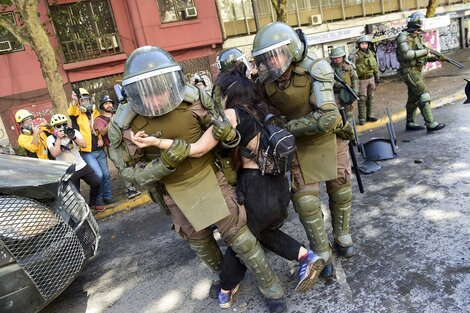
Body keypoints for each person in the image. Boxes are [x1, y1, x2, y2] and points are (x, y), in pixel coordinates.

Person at [131, 64, 325, 311]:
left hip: (256, 187)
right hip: (278, 185)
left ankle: (226, 286)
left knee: (241, 239)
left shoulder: (232, 115)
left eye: (218, 94)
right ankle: (306, 258)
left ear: (228, 94)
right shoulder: (263, 108)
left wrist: (158, 141)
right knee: (260, 233)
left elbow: (198, 148)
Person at [108, 46, 285, 311]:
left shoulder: (195, 99)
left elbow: (223, 135)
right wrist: (166, 162)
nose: (157, 99)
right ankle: (225, 278)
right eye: (147, 92)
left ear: (172, 82)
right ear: (134, 93)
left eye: (161, 89)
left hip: (211, 177)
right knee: (201, 244)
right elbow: (130, 174)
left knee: (241, 238)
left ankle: (272, 289)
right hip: (173, 191)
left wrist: (229, 137)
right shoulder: (123, 124)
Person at [251, 22, 357, 278]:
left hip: (328, 138)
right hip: (296, 145)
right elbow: (262, 114)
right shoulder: (265, 82)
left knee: (340, 188)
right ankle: (321, 249)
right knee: (306, 201)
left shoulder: (315, 68)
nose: (272, 61)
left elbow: (327, 118)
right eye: (266, 57)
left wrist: (286, 126)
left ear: (291, 49)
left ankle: (342, 235)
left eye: (276, 54)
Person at [396, 11, 446, 132]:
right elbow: (407, 55)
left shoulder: (417, 36)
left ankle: (410, 122)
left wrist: (434, 58)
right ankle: (430, 123)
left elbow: (420, 57)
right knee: (423, 94)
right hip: (409, 71)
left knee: (413, 98)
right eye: (420, 21)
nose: (422, 24)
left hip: (416, 71)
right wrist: (425, 51)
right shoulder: (404, 37)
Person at [46, 114, 104, 211]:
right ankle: (83, 211)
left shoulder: (74, 132)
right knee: (76, 195)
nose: (62, 128)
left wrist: (73, 137)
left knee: (96, 182)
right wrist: (59, 139)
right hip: (67, 170)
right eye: (58, 126)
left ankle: (93, 203)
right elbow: (55, 153)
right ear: (54, 128)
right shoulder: (51, 139)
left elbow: (84, 145)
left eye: (64, 124)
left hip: (81, 165)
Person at [68, 88, 114, 205]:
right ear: (79, 102)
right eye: (82, 100)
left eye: (87, 100)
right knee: (98, 175)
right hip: (87, 152)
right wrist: (74, 102)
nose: (86, 102)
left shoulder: (95, 113)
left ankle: (107, 196)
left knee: (106, 174)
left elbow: (97, 128)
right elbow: (71, 112)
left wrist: (99, 138)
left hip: (99, 149)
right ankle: (97, 199)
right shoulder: (77, 114)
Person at [94, 95, 141, 199]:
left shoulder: (118, 114)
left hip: (124, 142)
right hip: (112, 146)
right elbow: (102, 131)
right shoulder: (99, 119)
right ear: (102, 106)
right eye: (106, 103)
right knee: (121, 166)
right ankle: (129, 189)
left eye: (110, 102)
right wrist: (112, 120)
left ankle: (135, 183)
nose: (109, 105)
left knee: (131, 162)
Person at [349, 35, 380, 125]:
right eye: (362, 43)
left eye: (366, 43)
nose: (364, 45)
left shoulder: (371, 54)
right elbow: (351, 64)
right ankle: (362, 118)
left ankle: (370, 115)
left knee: (371, 98)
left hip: (371, 78)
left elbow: (375, 66)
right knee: (362, 99)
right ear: (359, 45)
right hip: (361, 80)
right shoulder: (356, 55)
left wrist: (377, 76)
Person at [330, 46, 359, 122]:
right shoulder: (329, 68)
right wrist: (337, 84)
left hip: (348, 92)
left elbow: (355, 79)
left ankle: (350, 130)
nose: (337, 60)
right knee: (338, 114)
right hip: (336, 94)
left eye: (339, 58)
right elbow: (328, 80)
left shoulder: (349, 66)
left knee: (349, 113)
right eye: (335, 58)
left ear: (343, 57)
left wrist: (355, 91)